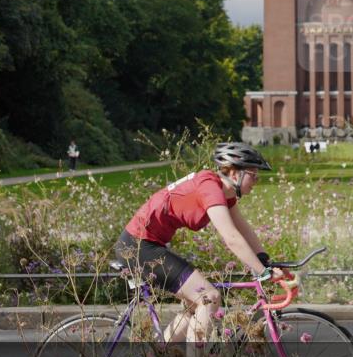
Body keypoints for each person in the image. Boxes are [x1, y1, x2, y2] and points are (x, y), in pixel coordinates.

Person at [113, 142, 288, 346]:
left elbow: (242, 229)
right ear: (234, 173)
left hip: (150, 245)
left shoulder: (222, 192)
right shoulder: (210, 188)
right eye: (253, 174)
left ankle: (157, 356)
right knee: (209, 296)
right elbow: (231, 237)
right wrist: (262, 272)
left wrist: (264, 260)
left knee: (195, 307)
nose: (256, 180)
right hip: (138, 247)